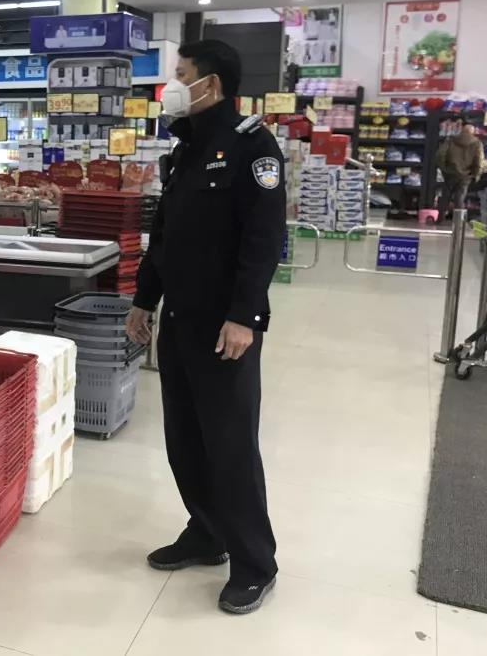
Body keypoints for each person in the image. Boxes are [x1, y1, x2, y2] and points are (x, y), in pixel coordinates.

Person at [126, 40, 286, 614]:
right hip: (180, 320)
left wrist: (245, 316)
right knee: (185, 439)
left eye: (180, 74)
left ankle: (255, 563)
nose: (171, 85)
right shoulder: (186, 147)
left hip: (225, 329)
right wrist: (144, 300)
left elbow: (264, 240)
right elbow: (165, 236)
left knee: (229, 445)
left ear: (210, 84)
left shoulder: (253, 147)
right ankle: (206, 532)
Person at [436, 118, 483, 220]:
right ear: (472, 132)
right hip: (466, 175)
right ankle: (459, 221)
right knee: (460, 197)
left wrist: (444, 168)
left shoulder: (451, 140)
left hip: (450, 172)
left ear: (461, 130)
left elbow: (440, 155)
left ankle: (440, 218)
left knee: (445, 196)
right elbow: (478, 160)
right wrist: (476, 175)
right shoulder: (477, 143)